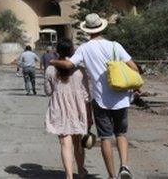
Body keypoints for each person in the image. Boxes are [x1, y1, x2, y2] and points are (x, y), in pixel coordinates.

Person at [51, 14, 140, 179]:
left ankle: (112, 176)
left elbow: (69, 64)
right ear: (102, 27)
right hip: (121, 98)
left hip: (100, 100)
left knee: (105, 137)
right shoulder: (115, 45)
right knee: (121, 134)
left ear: (87, 31)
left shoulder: (84, 48)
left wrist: (53, 62)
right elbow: (134, 67)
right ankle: (125, 166)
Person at [44, 39, 90, 179]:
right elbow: (87, 95)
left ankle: (69, 176)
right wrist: (89, 115)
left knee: (65, 143)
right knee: (78, 142)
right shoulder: (80, 70)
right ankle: (81, 171)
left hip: (59, 109)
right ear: (72, 51)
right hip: (77, 109)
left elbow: (47, 91)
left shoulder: (51, 68)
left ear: (57, 51)